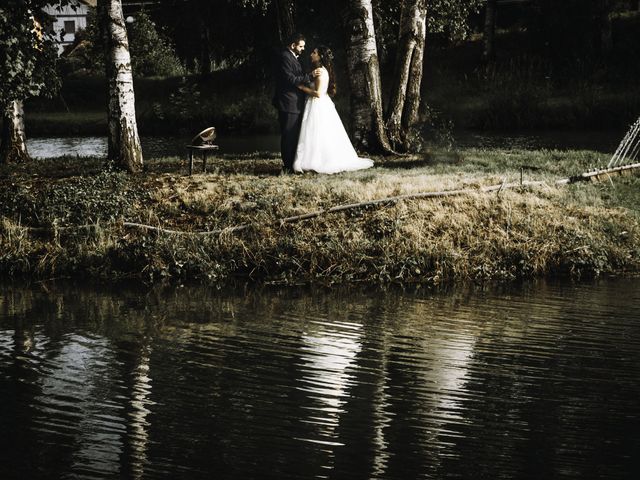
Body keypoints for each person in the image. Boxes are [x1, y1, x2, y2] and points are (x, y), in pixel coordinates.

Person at [293, 46, 374, 174]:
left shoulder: (320, 71)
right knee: (317, 132)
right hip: (319, 104)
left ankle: (318, 161)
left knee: (316, 132)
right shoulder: (322, 70)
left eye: (314, 52)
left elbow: (318, 93)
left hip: (317, 104)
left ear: (320, 56)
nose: (311, 54)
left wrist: (302, 88)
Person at [272, 33, 320, 174]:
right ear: (293, 45)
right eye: (301, 46)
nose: (303, 49)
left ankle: (292, 164)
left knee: (294, 135)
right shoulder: (284, 57)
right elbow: (291, 79)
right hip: (288, 102)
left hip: (295, 102)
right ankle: (287, 167)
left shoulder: (292, 57)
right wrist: (310, 76)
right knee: (288, 135)